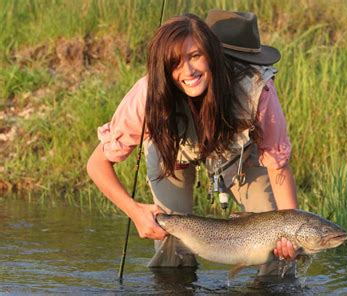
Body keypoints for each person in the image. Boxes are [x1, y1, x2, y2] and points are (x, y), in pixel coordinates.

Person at [87, 10, 298, 276]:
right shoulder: (146, 96)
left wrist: (291, 230)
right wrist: (134, 210)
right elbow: (97, 164)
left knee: (277, 255)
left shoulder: (258, 90)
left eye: (195, 56)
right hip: (171, 156)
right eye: (175, 62)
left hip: (239, 157)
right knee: (171, 249)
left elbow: (278, 167)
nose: (188, 71)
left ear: (211, 54)